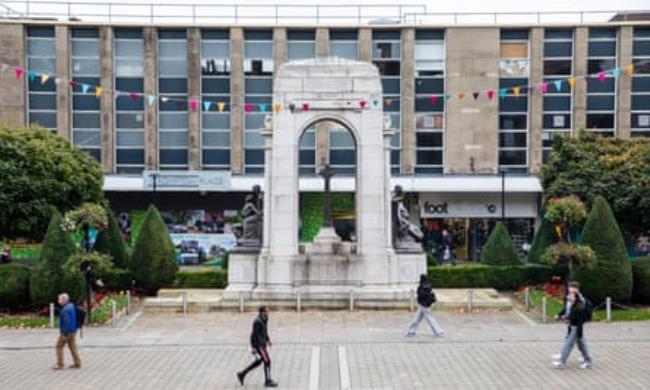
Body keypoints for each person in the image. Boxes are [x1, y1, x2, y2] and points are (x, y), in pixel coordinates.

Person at [552, 281, 593, 369]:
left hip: (576, 326)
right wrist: (561, 315)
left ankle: (561, 361)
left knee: (569, 343)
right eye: (569, 292)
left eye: (572, 292)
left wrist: (578, 331)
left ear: (577, 292)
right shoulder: (572, 301)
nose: (569, 295)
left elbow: (578, 318)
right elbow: (567, 310)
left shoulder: (580, 304)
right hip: (572, 325)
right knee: (581, 343)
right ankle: (587, 360)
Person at [236, 306, 278, 387]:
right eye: (267, 311)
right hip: (259, 346)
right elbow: (253, 335)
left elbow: (265, 331)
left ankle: (242, 374)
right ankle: (268, 380)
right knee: (267, 361)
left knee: (258, 362)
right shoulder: (257, 322)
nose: (269, 312)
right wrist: (253, 347)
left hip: (262, 344)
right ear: (263, 312)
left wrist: (268, 340)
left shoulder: (265, 319)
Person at [54, 293, 82, 370]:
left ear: (63, 300)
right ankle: (77, 363)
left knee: (59, 346)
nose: (58, 301)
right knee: (72, 346)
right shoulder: (71, 306)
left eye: (59, 299)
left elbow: (67, 322)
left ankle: (60, 364)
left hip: (67, 332)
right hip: (73, 330)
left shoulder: (65, 310)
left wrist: (64, 334)